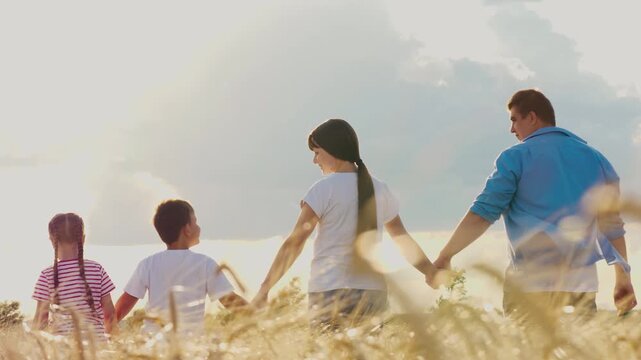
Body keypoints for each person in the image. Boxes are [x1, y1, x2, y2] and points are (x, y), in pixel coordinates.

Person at [430, 89, 637, 317]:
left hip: (529, 286)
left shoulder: (515, 157)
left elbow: (484, 213)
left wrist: (445, 255)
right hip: (581, 286)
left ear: (531, 117)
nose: (512, 129)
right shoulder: (596, 159)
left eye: (514, 120)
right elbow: (612, 226)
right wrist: (623, 276)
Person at [251, 119, 441, 330]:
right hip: (373, 294)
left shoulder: (323, 190)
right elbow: (402, 240)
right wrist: (429, 271)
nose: (315, 161)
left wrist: (265, 288)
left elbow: (294, 243)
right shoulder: (379, 188)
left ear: (333, 150)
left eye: (317, 152)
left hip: (330, 293)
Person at [114, 199, 247, 334]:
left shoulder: (147, 264)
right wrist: (257, 312)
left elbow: (121, 308)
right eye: (195, 222)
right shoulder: (205, 263)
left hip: (152, 345)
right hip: (190, 347)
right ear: (187, 229)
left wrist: (104, 330)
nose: (199, 227)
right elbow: (230, 301)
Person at [32, 213, 117, 339]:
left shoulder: (46, 275)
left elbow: (40, 320)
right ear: (82, 238)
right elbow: (110, 315)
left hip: (63, 351)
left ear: (52, 240)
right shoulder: (96, 269)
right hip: (97, 349)